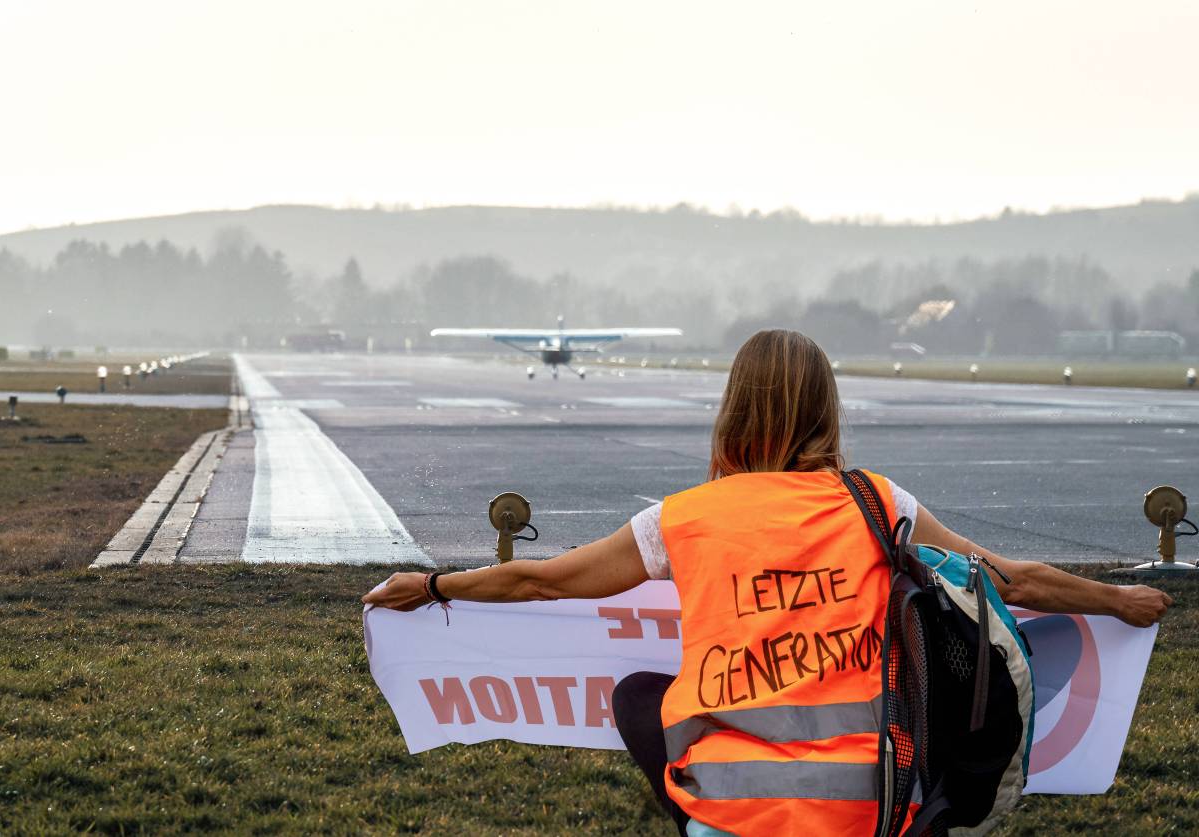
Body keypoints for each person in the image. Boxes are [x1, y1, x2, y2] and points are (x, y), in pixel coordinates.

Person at [362, 329, 1172, 836]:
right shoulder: (876, 502)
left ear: (732, 410)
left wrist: (434, 585)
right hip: (871, 802)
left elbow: (544, 581)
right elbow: (1007, 577)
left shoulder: (683, 518)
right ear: (828, 408)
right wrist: (1120, 599)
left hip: (731, 805)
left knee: (640, 698)